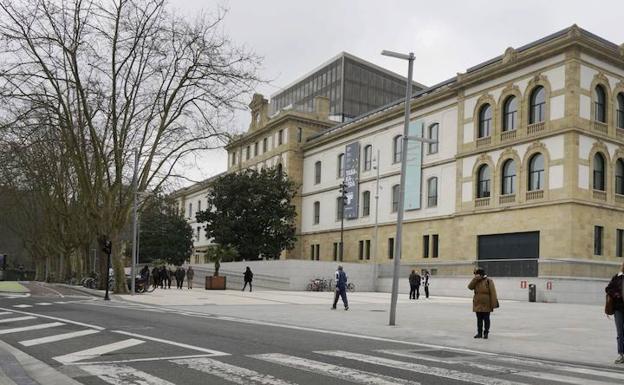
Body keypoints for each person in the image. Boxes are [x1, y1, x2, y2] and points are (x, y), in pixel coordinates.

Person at [468, 268, 499, 339]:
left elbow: (493, 292)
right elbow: (470, 287)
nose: (476, 276)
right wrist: (475, 279)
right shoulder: (475, 281)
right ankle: (479, 333)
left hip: (486, 303)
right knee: (479, 319)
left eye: (477, 275)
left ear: (481, 275)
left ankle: (486, 333)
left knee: (486, 318)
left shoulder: (488, 281)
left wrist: (493, 303)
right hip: (477, 302)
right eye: (475, 275)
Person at [606, 262, 624, 364]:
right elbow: (608, 288)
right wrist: (617, 295)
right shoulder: (617, 277)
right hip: (619, 309)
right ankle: (621, 354)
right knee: (620, 332)